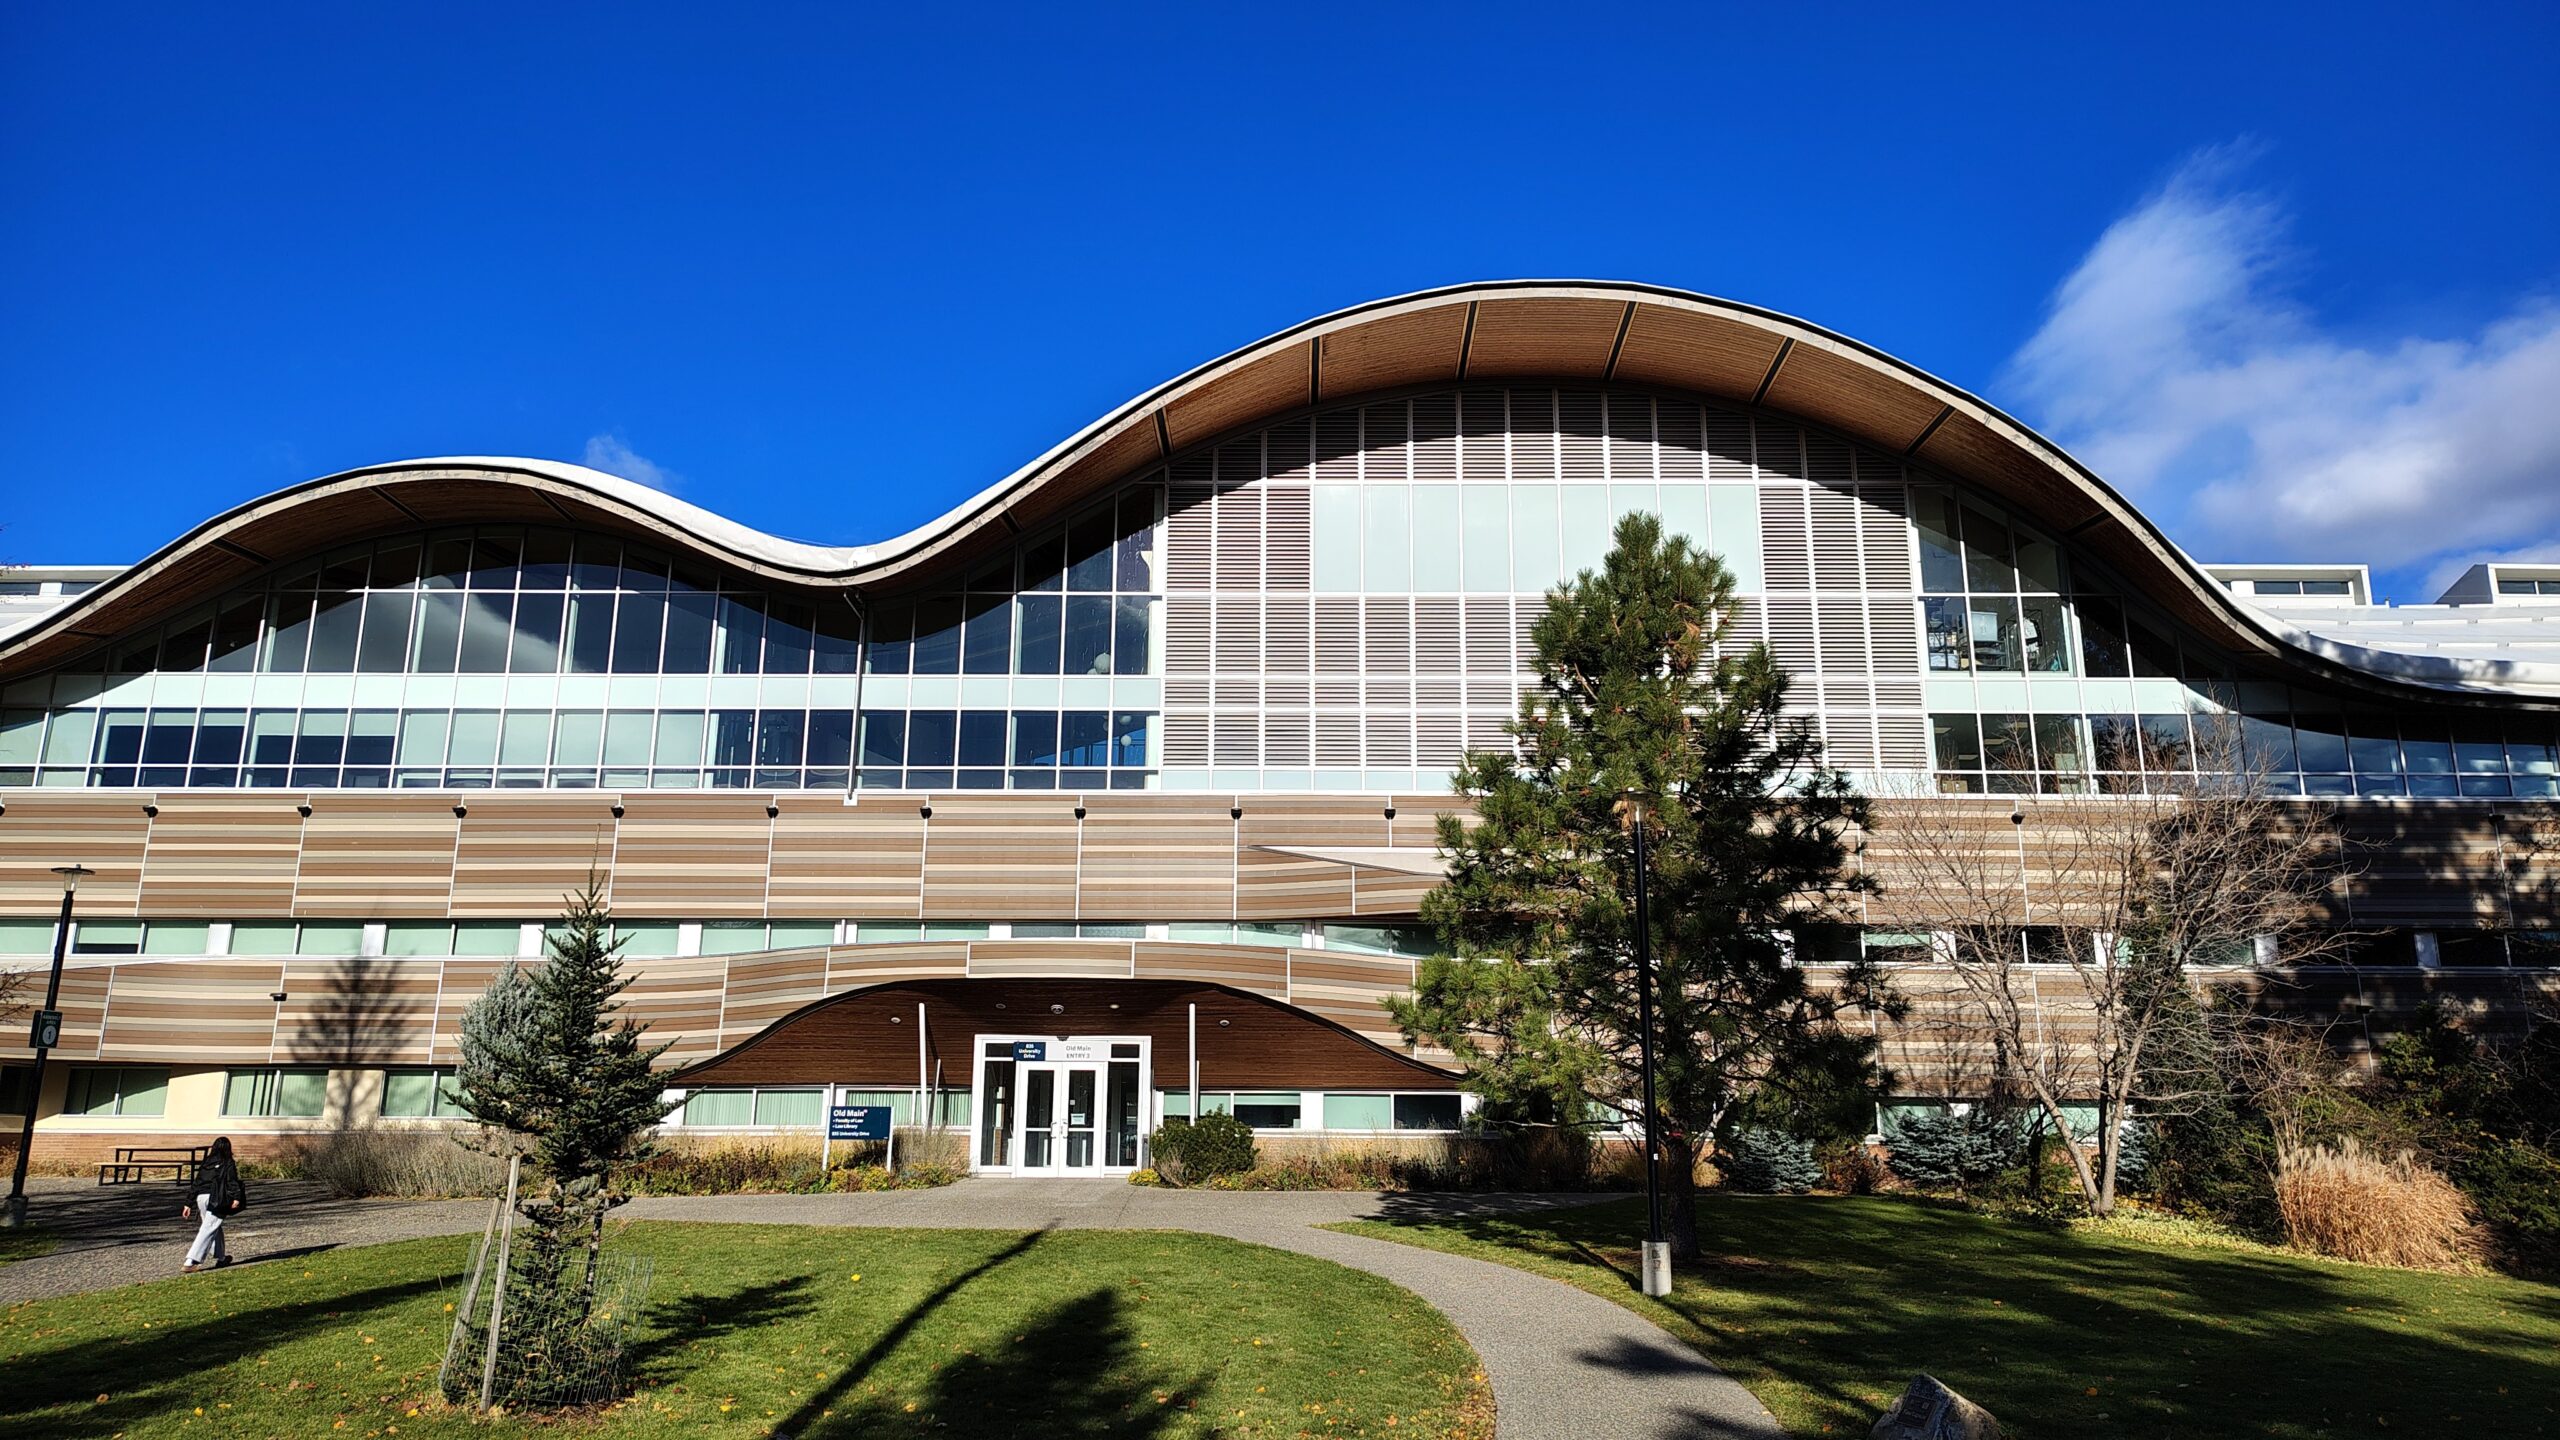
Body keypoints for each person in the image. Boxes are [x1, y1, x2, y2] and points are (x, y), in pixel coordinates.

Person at [181, 1136, 247, 1272]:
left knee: (213, 1226)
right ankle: (191, 1261)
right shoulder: (228, 1162)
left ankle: (221, 1258)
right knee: (209, 1227)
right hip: (217, 1198)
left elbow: (197, 1182)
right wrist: (236, 1198)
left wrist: (188, 1203)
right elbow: (232, 1181)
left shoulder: (206, 1162)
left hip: (201, 1198)